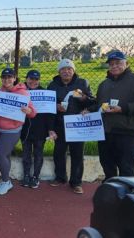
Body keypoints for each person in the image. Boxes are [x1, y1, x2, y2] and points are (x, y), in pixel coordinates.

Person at [88, 50, 134, 181]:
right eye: (111, 64)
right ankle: (110, 192)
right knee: (107, 165)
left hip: (128, 133)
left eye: (118, 63)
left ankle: (126, 196)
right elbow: (99, 104)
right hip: (106, 132)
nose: (114, 66)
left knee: (126, 169)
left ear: (127, 63)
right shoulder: (104, 84)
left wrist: (122, 109)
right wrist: (88, 110)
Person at [47, 59, 94, 194]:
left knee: (77, 154)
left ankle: (76, 182)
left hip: (77, 125)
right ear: (59, 71)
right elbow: (48, 105)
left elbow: (92, 102)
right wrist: (56, 107)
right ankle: (60, 177)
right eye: (63, 69)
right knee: (59, 153)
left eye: (69, 69)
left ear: (73, 71)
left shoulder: (82, 83)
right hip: (59, 123)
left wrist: (83, 98)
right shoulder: (53, 85)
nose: (66, 71)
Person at [0, 68, 36, 195]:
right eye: (4, 77)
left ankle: (6, 182)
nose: (7, 80)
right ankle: (5, 179)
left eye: (9, 77)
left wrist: (28, 111)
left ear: (15, 78)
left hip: (11, 131)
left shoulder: (23, 93)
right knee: (5, 156)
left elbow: (33, 112)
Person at [20, 69, 53, 189]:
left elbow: (50, 114)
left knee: (38, 153)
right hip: (25, 129)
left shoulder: (45, 93)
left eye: (36, 79)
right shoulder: (20, 91)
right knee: (26, 153)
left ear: (39, 80)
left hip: (40, 129)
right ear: (26, 79)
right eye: (31, 79)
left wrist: (50, 129)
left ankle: (36, 177)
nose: (33, 81)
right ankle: (26, 175)